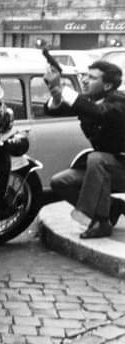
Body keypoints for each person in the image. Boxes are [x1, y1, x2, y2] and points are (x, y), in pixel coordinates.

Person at [44, 60, 125, 238]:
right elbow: (54, 111)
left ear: (108, 85)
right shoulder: (88, 101)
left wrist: (64, 89)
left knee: (96, 159)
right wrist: (56, 92)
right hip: (106, 167)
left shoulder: (120, 102)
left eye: (92, 77)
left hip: (119, 167)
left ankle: (101, 222)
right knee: (60, 182)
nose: (86, 80)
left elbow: (99, 112)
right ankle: (112, 207)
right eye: (85, 76)